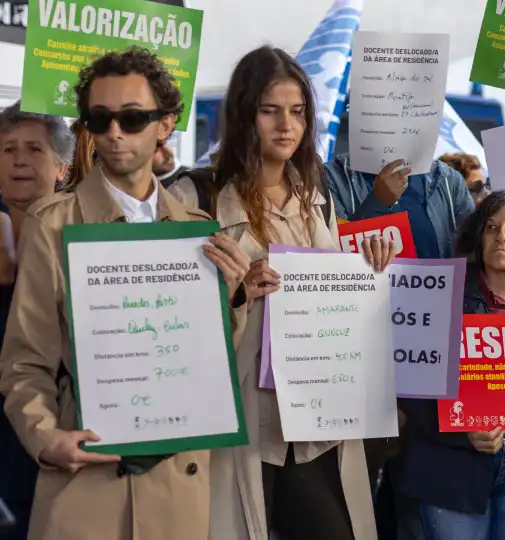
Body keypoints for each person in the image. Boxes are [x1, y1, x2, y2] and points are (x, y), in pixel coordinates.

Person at [0, 47, 252, 540]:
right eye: (100, 119)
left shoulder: (198, 231)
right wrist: (45, 436)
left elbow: (211, 363)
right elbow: (25, 361)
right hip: (87, 488)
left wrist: (232, 297)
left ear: (165, 124)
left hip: (178, 487)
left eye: (132, 118)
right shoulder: (53, 225)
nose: (114, 133)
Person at [167, 46, 394, 540]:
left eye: (297, 112)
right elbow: (171, 324)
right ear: (244, 114)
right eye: (270, 110)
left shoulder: (319, 198)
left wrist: (369, 265)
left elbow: (342, 301)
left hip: (318, 423)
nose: (286, 125)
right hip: (245, 420)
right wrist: (239, 292)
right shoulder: (195, 197)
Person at [394, 190, 505, 540]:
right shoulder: (438, 293)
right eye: (491, 227)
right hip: (453, 466)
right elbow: (408, 384)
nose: (502, 236)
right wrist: (461, 430)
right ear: (478, 236)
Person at [0, 102, 74, 540]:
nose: (19, 160)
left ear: (62, 167)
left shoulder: (81, 240)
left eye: (33, 149)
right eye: (8, 149)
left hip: (57, 439)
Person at [323, 110, 475, 259]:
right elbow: (333, 258)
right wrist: (378, 203)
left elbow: (474, 253)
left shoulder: (448, 181)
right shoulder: (331, 177)